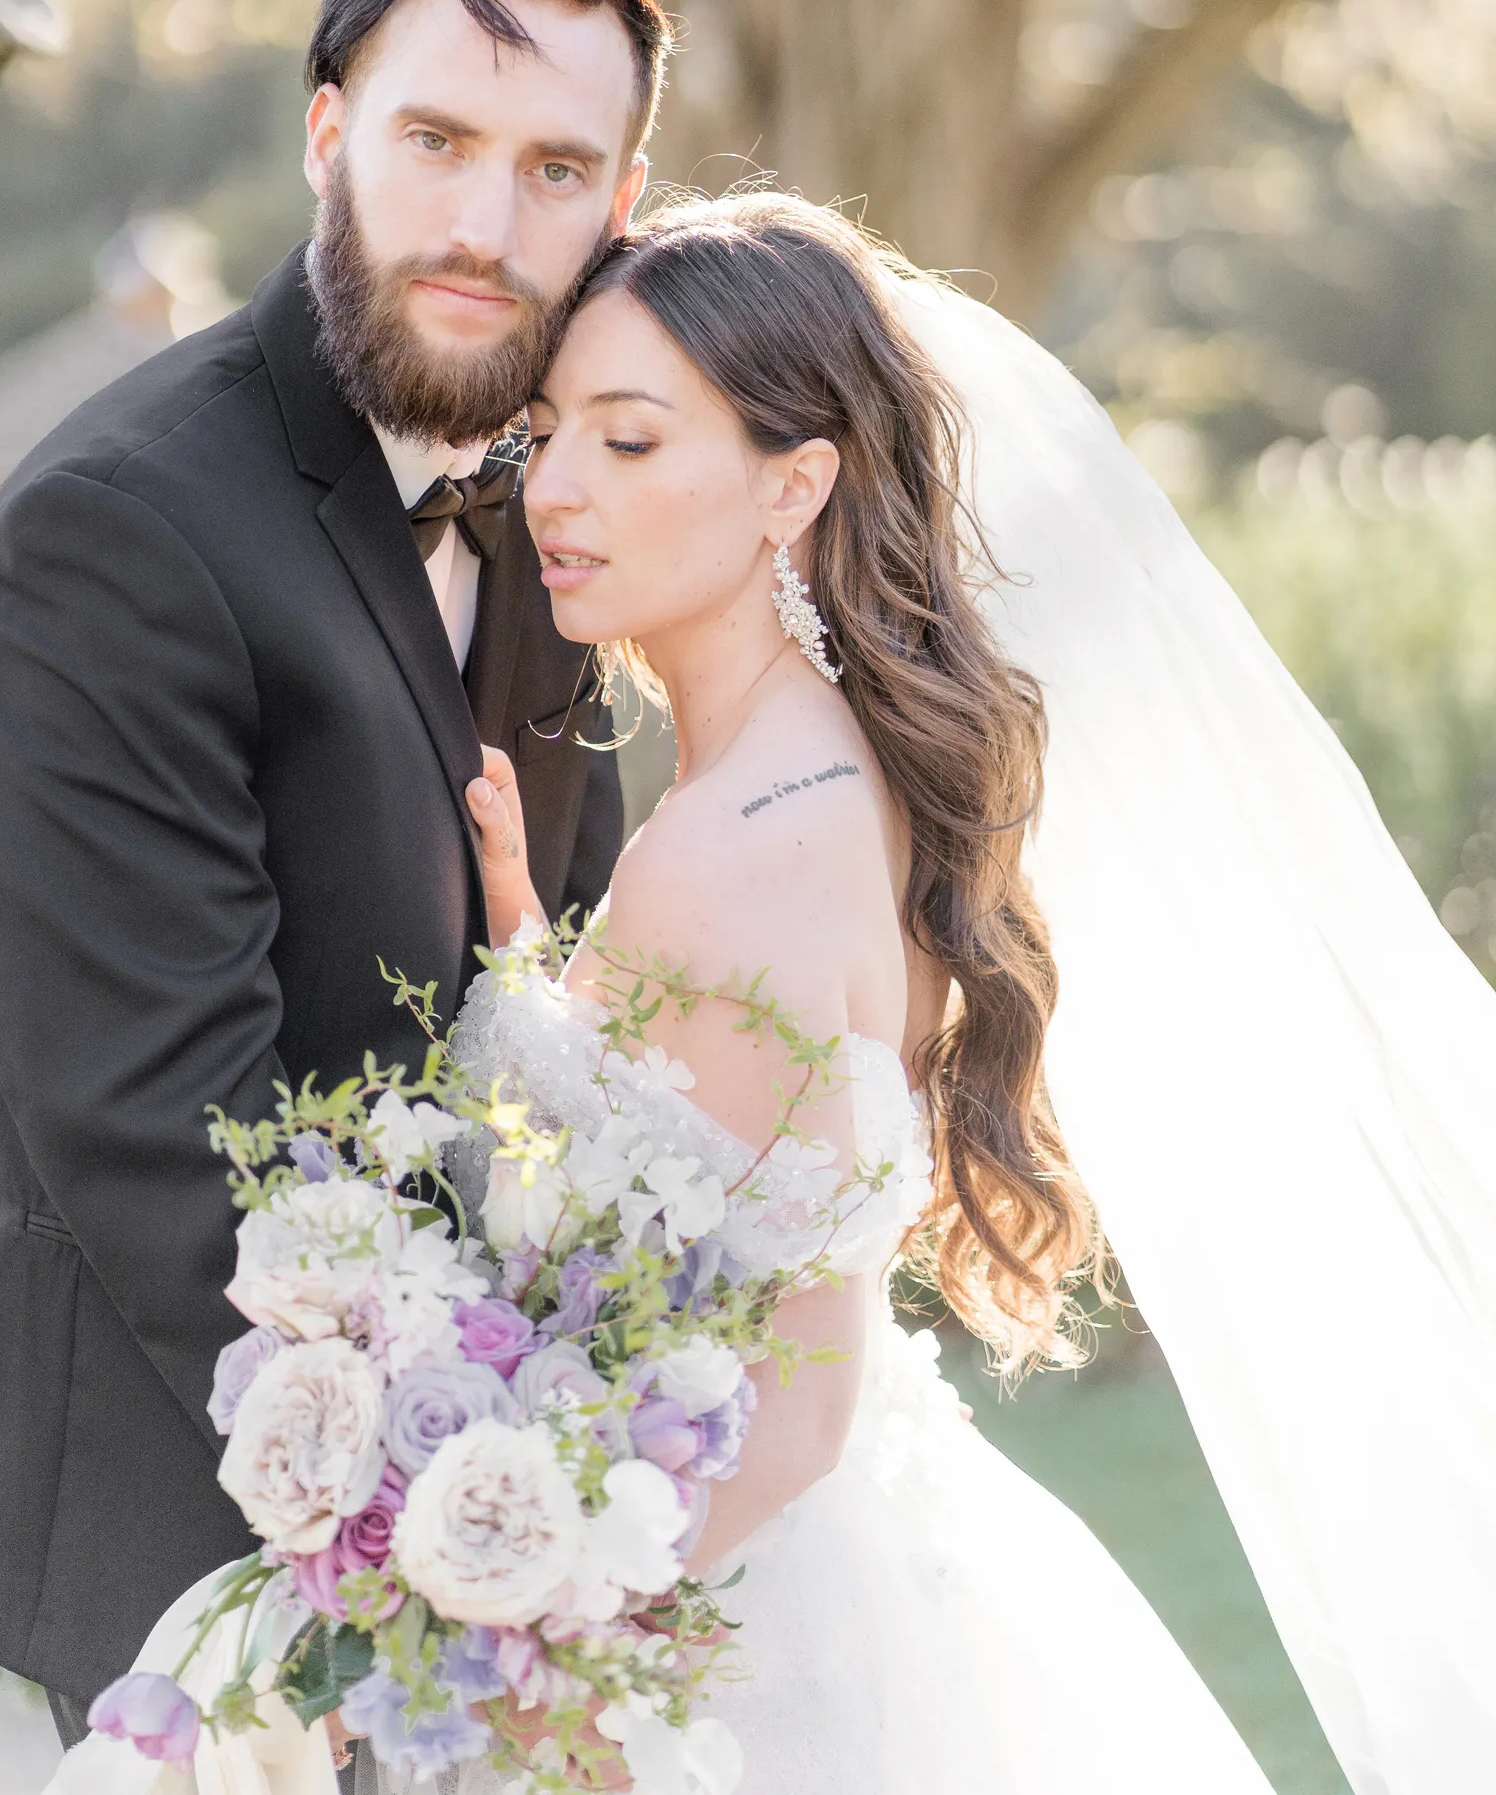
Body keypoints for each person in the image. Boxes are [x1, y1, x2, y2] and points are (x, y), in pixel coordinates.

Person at [450, 190, 1496, 1795]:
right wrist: (530, 952)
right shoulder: (841, 790)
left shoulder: (734, 848)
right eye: (547, 431)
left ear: (794, 485)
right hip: (853, 1569)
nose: (558, 489)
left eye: (632, 441)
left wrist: (508, 1655)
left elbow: (781, 1412)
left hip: (729, 1651)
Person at [0, 0, 670, 1741]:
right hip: (189, 1629)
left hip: (504, 1587)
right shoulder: (113, 539)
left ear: (623, 203)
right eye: (436, 139)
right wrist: (493, 1515)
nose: (489, 222)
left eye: (558, 169)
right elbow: (177, 1164)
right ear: (327, 133)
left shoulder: (557, 507)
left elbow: (588, 999)